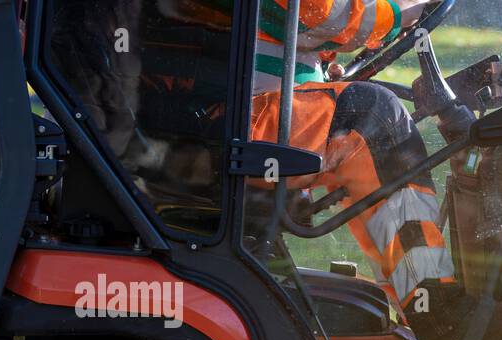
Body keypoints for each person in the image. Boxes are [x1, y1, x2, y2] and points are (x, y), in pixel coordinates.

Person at [177, 0, 456, 309]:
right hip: (231, 124)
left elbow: (286, 28)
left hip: (213, 115)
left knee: (349, 113)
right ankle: (435, 306)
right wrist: (401, 10)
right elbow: (319, 14)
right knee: (372, 117)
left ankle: (415, 298)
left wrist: (316, 70)